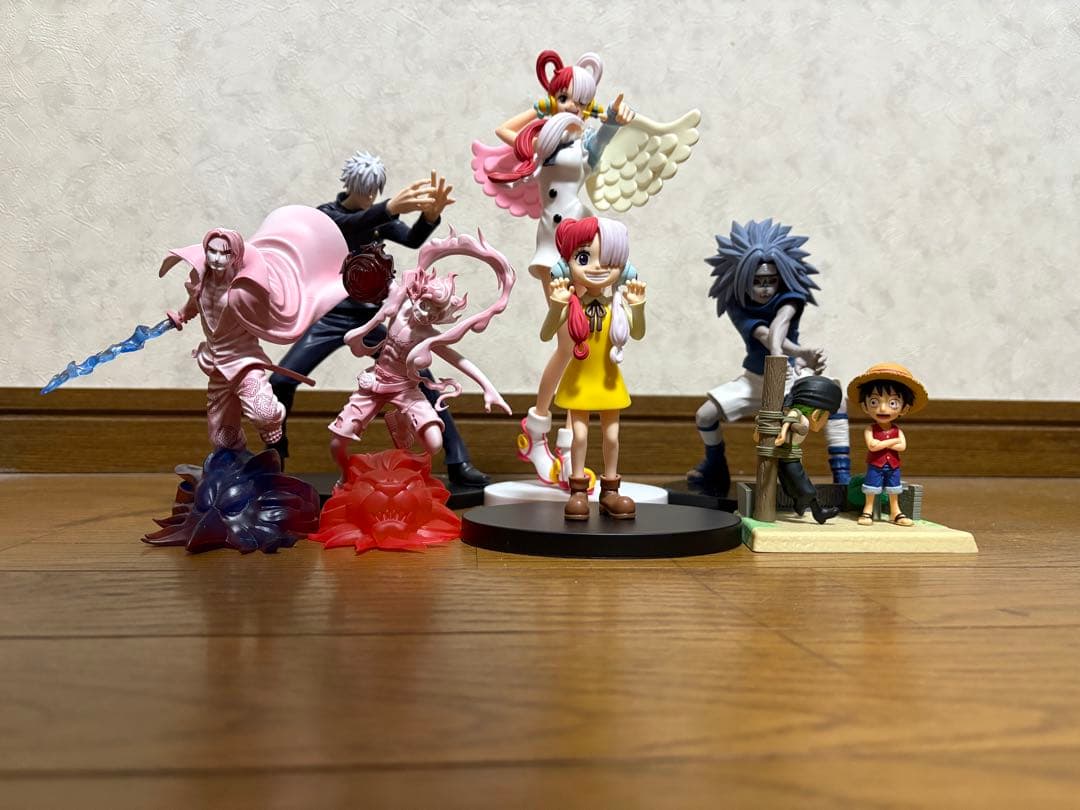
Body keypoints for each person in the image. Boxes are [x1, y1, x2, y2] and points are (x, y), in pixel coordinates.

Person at [268, 151, 491, 486]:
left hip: (372, 315)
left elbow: (411, 239)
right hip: (331, 316)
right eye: (365, 191)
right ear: (350, 186)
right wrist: (387, 208)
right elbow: (350, 226)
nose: (369, 198)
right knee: (281, 381)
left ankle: (458, 459)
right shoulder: (326, 216)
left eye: (375, 192)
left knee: (423, 378)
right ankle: (274, 459)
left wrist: (429, 217)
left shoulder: (376, 216)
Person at [329, 231, 515, 483]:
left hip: (406, 389)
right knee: (337, 443)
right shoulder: (399, 305)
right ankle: (346, 476)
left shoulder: (428, 335)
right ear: (418, 295)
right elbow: (384, 276)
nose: (426, 314)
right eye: (425, 305)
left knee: (434, 442)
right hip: (375, 383)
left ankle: (403, 443)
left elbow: (459, 360)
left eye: (435, 313)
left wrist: (488, 388)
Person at [160, 206, 348, 451]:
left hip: (243, 363)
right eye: (212, 252)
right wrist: (181, 316)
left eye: (224, 253)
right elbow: (196, 304)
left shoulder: (245, 289)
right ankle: (234, 464)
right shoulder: (201, 281)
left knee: (265, 414)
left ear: (235, 255)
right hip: (216, 366)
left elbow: (268, 307)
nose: (216, 258)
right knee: (221, 437)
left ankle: (273, 449)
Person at [689, 219, 851, 496]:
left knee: (838, 401)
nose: (764, 288)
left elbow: (781, 322)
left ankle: (843, 478)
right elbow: (766, 334)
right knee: (705, 415)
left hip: (789, 378)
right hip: (755, 379)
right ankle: (715, 467)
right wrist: (794, 352)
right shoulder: (737, 304)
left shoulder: (791, 297)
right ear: (743, 278)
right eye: (757, 281)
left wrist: (792, 357)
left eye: (770, 281)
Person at [541, 217, 646, 520]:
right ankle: (577, 490)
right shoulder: (571, 305)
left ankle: (610, 490)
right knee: (579, 436)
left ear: (623, 267)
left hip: (609, 381)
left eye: (608, 259)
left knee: (612, 437)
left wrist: (638, 307)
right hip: (579, 381)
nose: (598, 267)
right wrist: (556, 307)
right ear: (567, 266)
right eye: (584, 258)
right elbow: (546, 334)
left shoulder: (618, 307)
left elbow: (638, 333)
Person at [847, 363, 928, 526]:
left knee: (894, 489)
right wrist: (892, 441)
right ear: (865, 406)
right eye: (874, 402)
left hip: (893, 466)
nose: (883, 409)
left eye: (892, 403)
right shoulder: (870, 429)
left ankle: (895, 512)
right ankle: (867, 511)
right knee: (871, 488)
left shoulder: (898, 430)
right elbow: (872, 446)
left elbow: (902, 447)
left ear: (904, 408)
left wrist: (883, 443)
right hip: (875, 466)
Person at [763, 376, 844, 524]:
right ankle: (803, 505)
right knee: (806, 489)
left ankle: (814, 511)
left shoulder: (800, 417)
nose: (825, 422)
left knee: (792, 486)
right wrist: (782, 436)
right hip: (787, 457)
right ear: (816, 414)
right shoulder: (798, 415)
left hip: (792, 455)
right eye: (826, 417)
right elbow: (788, 420)